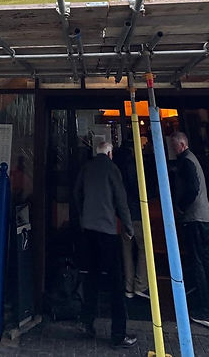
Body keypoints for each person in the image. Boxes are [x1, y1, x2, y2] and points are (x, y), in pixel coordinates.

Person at [74, 140, 138, 349]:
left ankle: (87, 322)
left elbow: (77, 194)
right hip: (107, 231)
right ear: (110, 153)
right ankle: (118, 334)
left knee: (91, 276)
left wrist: (83, 216)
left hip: (88, 230)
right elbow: (121, 200)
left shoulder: (86, 168)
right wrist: (128, 227)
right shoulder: (112, 169)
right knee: (115, 282)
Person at [169, 131, 209, 329]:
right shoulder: (192, 159)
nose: (172, 150)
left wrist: (181, 206)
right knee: (206, 261)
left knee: (198, 263)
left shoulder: (186, 162)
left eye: (173, 146)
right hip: (205, 218)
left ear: (182, 145)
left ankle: (205, 311)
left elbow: (193, 189)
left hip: (194, 218)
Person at [114, 138, 149, 300]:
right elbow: (136, 189)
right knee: (144, 247)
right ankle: (141, 284)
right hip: (136, 212)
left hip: (123, 213)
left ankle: (128, 286)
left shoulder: (117, 167)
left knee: (126, 249)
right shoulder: (133, 166)